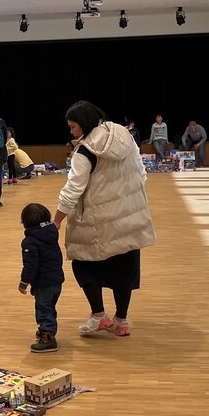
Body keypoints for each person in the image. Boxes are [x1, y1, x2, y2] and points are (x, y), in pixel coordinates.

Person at [55, 101, 157, 338]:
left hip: (97, 222)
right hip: (129, 216)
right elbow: (141, 171)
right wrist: (127, 198)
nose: (71, 132)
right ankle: (121, 320)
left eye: (73, 127)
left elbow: (73, 190)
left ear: (84, 123)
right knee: (125, 266)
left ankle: (99, 315)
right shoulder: (125, 136)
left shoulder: (84, 151)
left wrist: (57, 220)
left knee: (84, 264)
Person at [19, 203, 65, 353]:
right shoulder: (51, 233)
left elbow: (31, 265)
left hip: (43, 283)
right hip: (56, 280)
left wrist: (24, 282)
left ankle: (48, 339)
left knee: (43, 310)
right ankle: (47, 331)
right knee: (50, 307)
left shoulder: (30, 242)